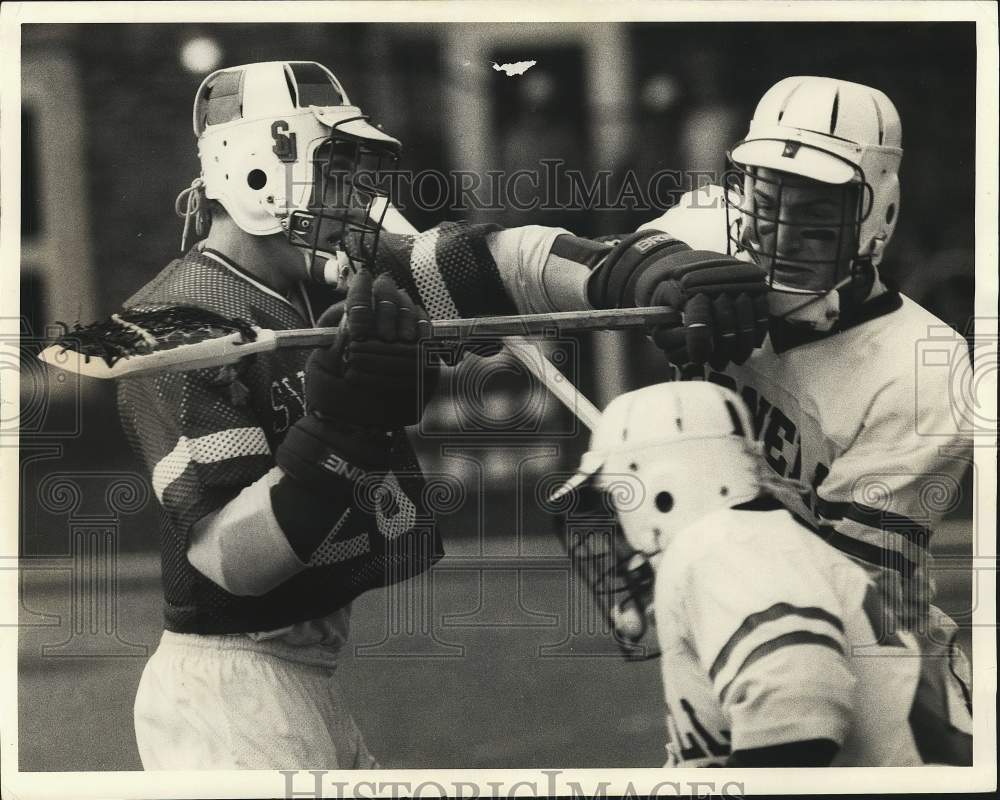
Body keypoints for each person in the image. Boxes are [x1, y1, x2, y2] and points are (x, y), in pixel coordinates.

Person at [354, 76, 972, 686]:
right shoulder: (707, 231)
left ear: (877, 214)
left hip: (885, 684)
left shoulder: (922, 368)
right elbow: (505, 263)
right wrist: (642, 273)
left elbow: (850, 599)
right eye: (767, 199)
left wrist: (699, 517)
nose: (779, 234)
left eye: (813, 212)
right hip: (728, 642)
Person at [119, 60, 441, 769]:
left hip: (300, 681)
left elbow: (472, 266)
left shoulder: (294, 292)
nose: (354, 197)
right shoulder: (178, 322)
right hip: (231, 695)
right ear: (258, 170)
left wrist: (624, 267)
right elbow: (233, 561)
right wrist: (342, 428)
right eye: (336, 170)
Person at [549, 381, 973, 767]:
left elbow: (796, 707)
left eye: (613, 500)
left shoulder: (723, 546)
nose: (618, 534)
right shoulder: (754, 541)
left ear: (662, 490)